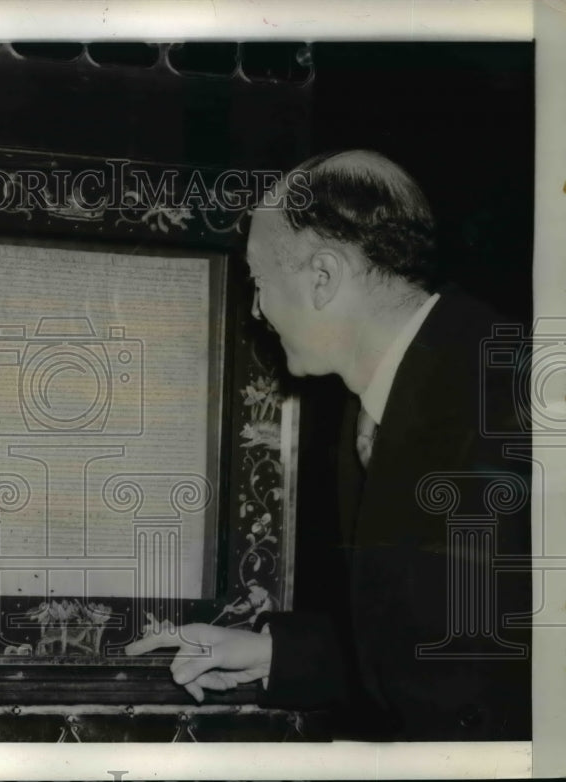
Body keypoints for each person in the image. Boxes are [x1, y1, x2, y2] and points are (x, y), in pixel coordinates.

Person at [127, 150, 531, 741]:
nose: (258, 310)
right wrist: (274, 653)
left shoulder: (520, 396)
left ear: (323, 276)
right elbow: (441, 637)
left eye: (260, 282)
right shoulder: (376, 404)